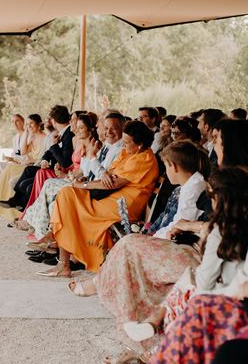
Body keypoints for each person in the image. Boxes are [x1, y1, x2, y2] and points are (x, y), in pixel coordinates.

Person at [67, 141, 210, 333]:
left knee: (128, 243)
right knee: (128, 243)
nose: (166, 172)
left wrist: (156, 237)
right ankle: (99, 283)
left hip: (185, 244)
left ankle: (99, 285)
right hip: (177, 238)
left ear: (174, 166)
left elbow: (182, 223)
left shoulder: (194, 186)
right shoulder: (188, 184)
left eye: (166, 166)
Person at [125, 167, 248, 359]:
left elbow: (206, 283)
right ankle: (155, 333)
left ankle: (157, 333)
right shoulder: (238, 226)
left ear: (217, 199)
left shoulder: (221, 231)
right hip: (233, 293)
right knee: (186, 281)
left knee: (186, 287)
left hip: (225, 296)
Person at [38, 120, 159, 276]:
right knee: (66, 195)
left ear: (140, 144)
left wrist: (81, 185)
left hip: (124, 204)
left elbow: (112, 183)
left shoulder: (144, 159)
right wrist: (100, 177)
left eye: (127, 143)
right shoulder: (128, 152)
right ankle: (63, 259)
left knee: (69, 196)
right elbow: (108, 175)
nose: (124, 146)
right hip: (112, 197)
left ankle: (63, 256)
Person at [21, 112, 125, 244]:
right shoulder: (107, 146)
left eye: (113, 128)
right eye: (105, 128)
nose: (107, 132)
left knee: (52, 192)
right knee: (48, 184)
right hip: (85, 181)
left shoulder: (119, 150)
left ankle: (41, 232)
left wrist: (90, 161)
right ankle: (40, 231)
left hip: (95, 189)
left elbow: (104, 177)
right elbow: (88, 169)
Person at [0, 105, 74, 216]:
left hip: (60, 171)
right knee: (28, 170)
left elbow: (65, 162)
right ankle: (16, 200)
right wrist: (44, 159)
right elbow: (49, 152)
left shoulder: (68, 134)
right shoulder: (62, 133)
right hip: (46, 165)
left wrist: (53, 146)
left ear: (53, 120)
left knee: (26, 186)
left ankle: (24, 210)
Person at [0, 114, 46, 207]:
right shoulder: (31, 138)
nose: (29, 126)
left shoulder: (46, 138)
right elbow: (23, 152)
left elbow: (44, 158)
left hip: (34, 166)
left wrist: (31, 160)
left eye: (31, 123)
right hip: (27, 164)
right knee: (5, 166)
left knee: (10, 168)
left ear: (39, 124)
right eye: (27, 124)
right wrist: (26, 133)